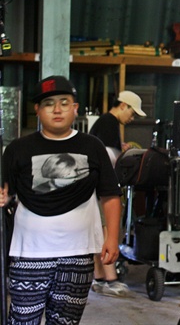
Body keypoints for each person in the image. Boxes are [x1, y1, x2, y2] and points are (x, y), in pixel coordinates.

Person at [0, 75, 122, 324]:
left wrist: (112, 238)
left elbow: (109, 195)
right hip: (29, 254)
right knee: (22, 320)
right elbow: (5, 192)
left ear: (74, 108)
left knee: (66, 322)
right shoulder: (18, 149)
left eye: (64, 102)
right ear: (37, 110)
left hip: (78, 255)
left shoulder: (93, 147)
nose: (57, 109)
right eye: (48, 103)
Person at [88, 90, 146, 297]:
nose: (131, 118)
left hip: (94, 186)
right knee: (106, 231)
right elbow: (107, 156)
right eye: (131, 113)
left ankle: (99, 278)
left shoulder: (106, 123)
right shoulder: (109, 122)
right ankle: (111, 280)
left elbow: (104, 148)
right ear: (123, 105)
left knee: (99, 230)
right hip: (101, 188)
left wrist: (120, 147)